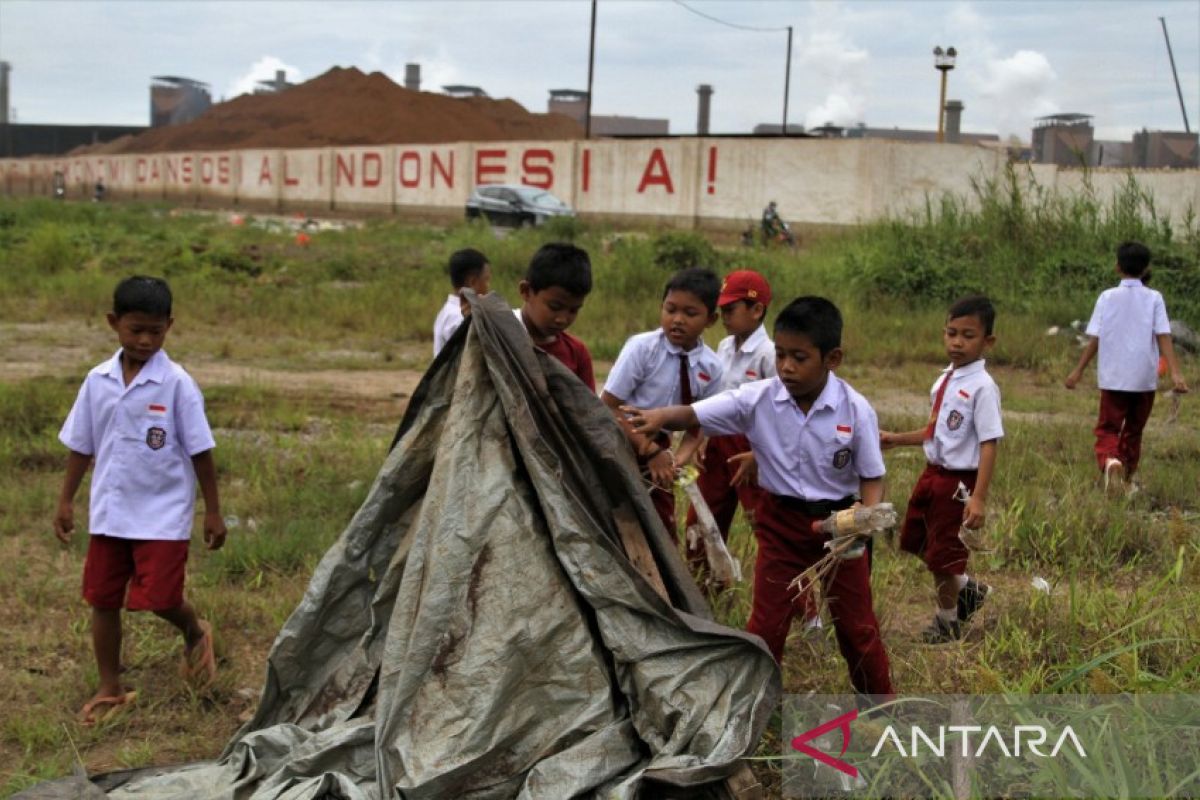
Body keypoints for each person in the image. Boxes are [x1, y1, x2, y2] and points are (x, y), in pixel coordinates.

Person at [623, 297, 894, 697]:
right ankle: (754, 707)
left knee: (856, 627)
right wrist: (662, 418)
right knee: (767, 625)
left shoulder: (855, 410)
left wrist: (864, 518)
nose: (786, 366)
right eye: (781, 355)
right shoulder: (759, 398)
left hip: (841, 531)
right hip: (781, 524)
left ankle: (881, 707)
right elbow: (696, 413)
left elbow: (873, 476)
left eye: (799, 357)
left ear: (832, 358)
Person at [55, 276, 227, 725]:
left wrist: (212, 509)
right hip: (110, 513)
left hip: (162, 514)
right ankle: (110, 686)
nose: (146, 340)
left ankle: (194, 629)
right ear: (114, 324)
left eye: (156, 330)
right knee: (103, 599)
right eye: (136, 330)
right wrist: (66, 501)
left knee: (159, 597)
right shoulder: (98, 381)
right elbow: (81, 445)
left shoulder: (177, 384)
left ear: (170, 326)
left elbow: (201, 451)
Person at [881, 295, 1003, 644]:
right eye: (951, 333)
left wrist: (978, 498)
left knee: (943, 559)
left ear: (987, 342)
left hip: (957, 482)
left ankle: (948, 622)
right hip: (932, 473)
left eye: (968, 335)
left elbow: (989, 443)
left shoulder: (982, 387)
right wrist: (896, 438)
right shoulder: (946, 379)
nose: (957, 342)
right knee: (916, 540)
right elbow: (935, 431)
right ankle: (969, 590)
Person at [601, 267, 723, 536]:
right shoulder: (642, 348)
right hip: (620, 438)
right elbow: (609, 405)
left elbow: (699, 424)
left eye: (690, 314)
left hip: (660, 447)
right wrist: (649, 450)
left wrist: (677, 459)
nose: (677, 320)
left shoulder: (712, 367)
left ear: (711, 319)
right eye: (670, 310)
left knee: (661, 526)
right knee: (611, 520)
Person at [1065, 241, 1188, 493]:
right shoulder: (1154, 298)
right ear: (1146, 269)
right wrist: (1176, 373)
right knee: (1134, 430)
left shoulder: (1107, 297)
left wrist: (1077, 371)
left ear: (1117, 267)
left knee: (1108, 427)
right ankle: (1127, 478)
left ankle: (1111, 462)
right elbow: (1163, 335)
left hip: (1114, 377)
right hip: (1143, 378)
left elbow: (1095, 339)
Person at [682, 269, 774, 585]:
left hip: (751, 447)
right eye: (720, 310)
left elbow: (779, 412)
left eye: (730, 310)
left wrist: (758, 453)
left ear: (756, 310)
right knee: (702, 519)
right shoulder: (722, 347)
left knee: (764, 525)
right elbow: (716, 399)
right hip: (719, 442)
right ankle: (705, 592)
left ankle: (805, 612)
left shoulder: (769, 354)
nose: (724, 317)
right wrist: (701, 438)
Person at [515, 242, 596, 391]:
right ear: (526, 291)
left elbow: (588, 410)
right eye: (554, 307)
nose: (562, 319)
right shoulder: (498, 336)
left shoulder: (577, 354)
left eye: (573, 310)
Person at [433, 248, 492, 357]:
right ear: (473, 282)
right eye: (486, 280)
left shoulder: (448, 311)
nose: (488, 286)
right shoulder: (459, 317)